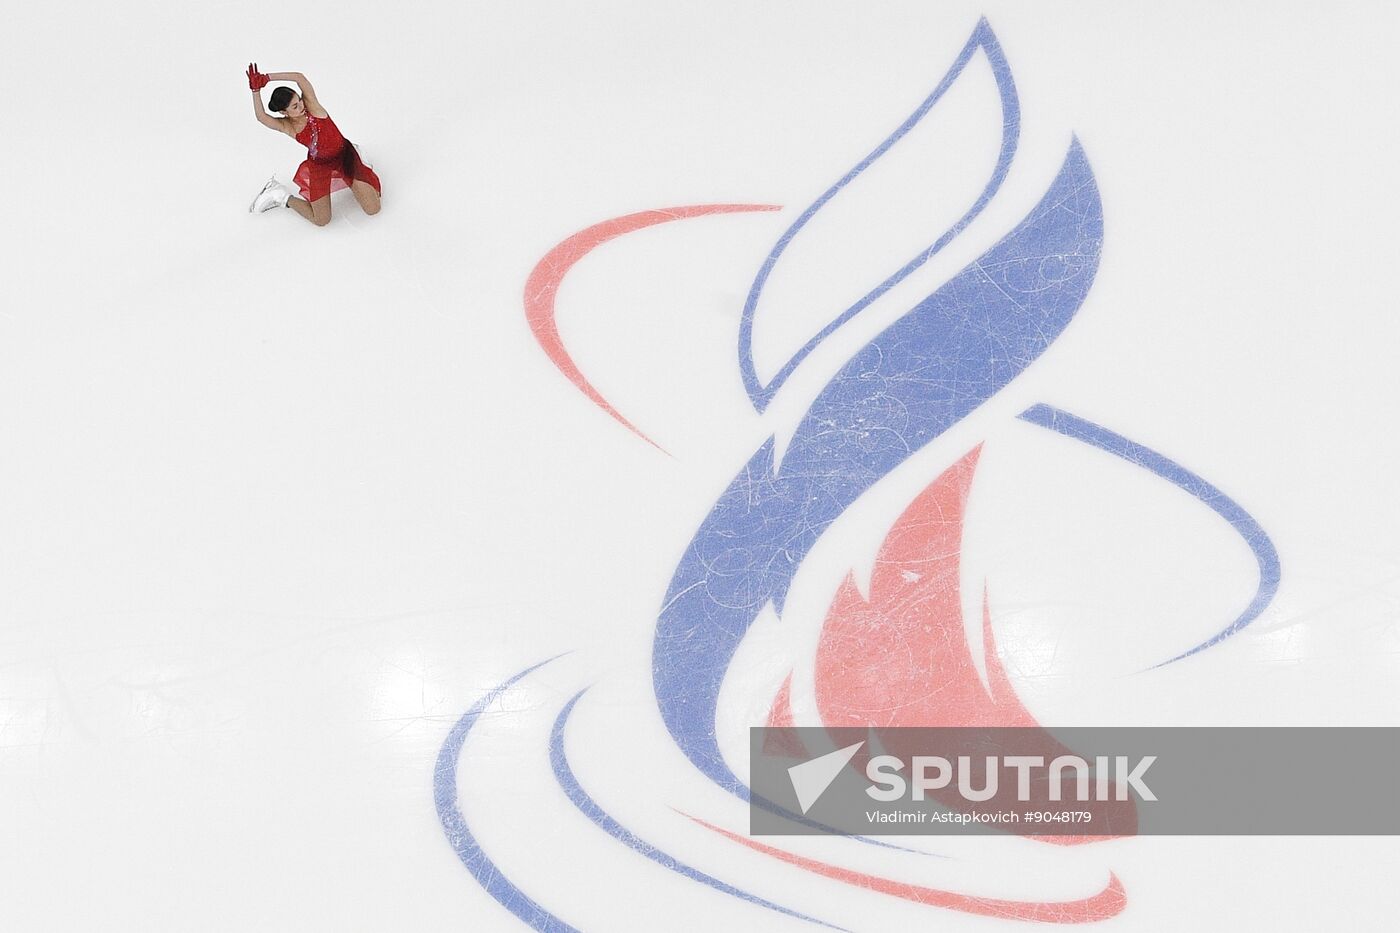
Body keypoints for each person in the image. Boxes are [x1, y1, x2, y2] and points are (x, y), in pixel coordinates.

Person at [246, 64, 382, 225]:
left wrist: (267, 78)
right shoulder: (287, 126)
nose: (301, 106)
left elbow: (299, 77)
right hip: (320, 166)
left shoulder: (312, 106)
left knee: (373, 208)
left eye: (300, 100)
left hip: (345, 155)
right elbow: (261, 117)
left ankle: (358, 166)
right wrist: (256, 92)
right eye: (295, 106)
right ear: (284, 112)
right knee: (321, 220)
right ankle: (280, 195)